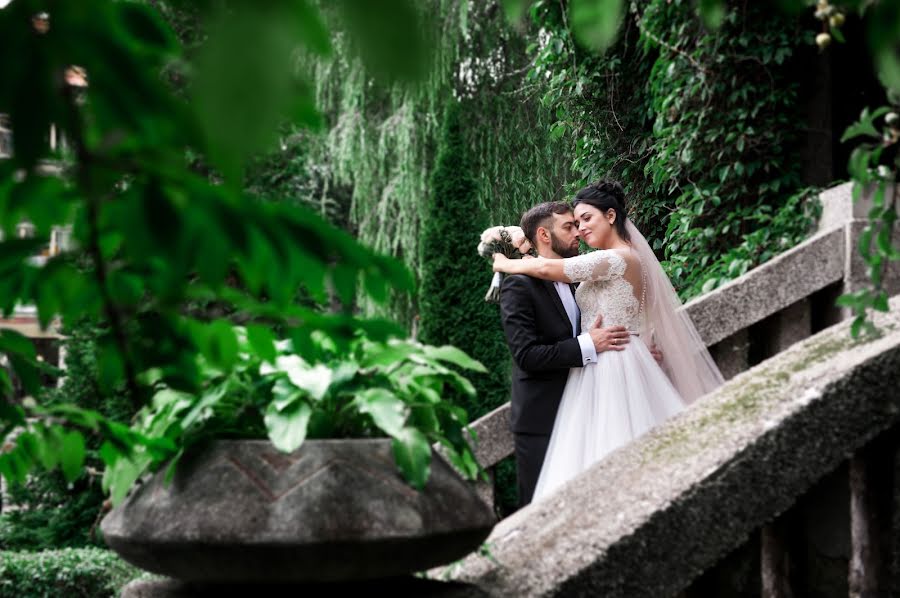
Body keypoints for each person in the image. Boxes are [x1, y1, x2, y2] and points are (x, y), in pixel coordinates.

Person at [493, 181, 723, 502]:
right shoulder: (602, 265)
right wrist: (639, 344)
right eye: (574, 223)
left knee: (618, 456)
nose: (581, 229)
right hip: (591, 372)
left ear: (611, 215)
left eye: (586, 219)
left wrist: (502, 262)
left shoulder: (615, 259)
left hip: (613, 366)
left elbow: (547, 267)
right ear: (545, 235)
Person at [498, 201, 632, 508]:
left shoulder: (579, 281)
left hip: (586, 411)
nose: (578, 233)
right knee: (541, 511)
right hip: (542, 419)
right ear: (544, 235)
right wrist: (587, 345)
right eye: (569, 227)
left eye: (578, 225)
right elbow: (526, 355)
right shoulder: (519, 286)